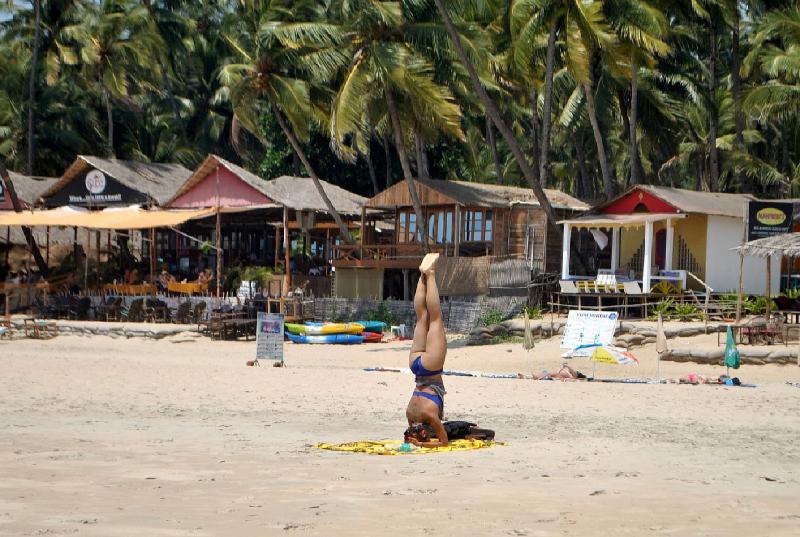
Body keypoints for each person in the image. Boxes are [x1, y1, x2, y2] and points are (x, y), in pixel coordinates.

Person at [404, 253, 451, 448]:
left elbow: (444, 443)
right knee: (421, 317)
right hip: (415, 365)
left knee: (435, 318)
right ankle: (422, 276)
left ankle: (430, 273)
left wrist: (422, 445)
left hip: (431, 369)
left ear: (423, 432)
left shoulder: (430, 416)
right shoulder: (410, 415)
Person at [405, 421, 495, 444]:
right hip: (453, 428)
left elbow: (452, 426)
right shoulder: (423, 428)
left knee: (488, 434)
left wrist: (420, 443)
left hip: (463, 429)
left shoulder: (432, 431)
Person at [518, 364, 587, 381]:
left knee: (544, 374)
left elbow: (574, 375)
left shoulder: (572, 376)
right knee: (543, 374)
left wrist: (567, 366)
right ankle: (526, 377)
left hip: (552, 375)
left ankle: (528, 377)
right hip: (553, 374)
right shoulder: (570, 373)